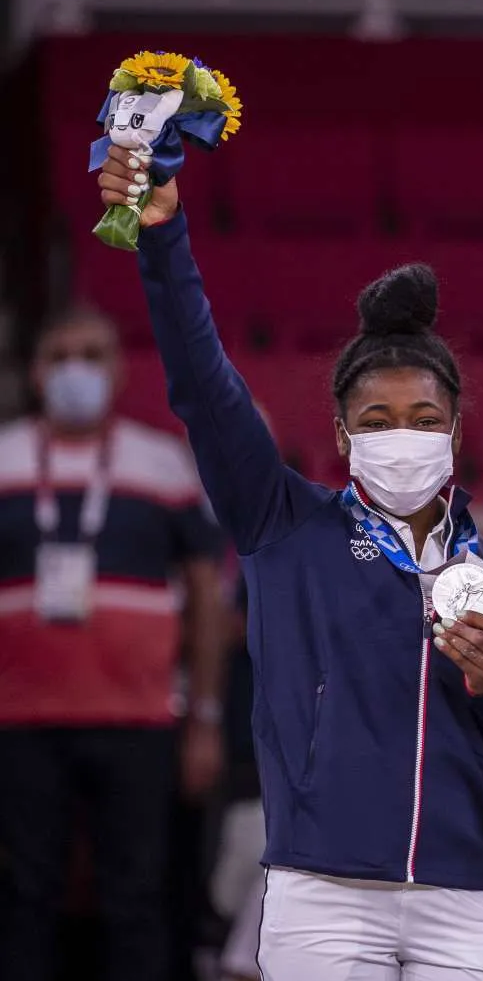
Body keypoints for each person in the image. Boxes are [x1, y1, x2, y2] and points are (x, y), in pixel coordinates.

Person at [95, 143, 483, 980]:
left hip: (470, 896)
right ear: (343, 437)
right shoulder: (284, 524)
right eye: (376, 420)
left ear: (454, 434)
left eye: (423, 417)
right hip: (321, 888)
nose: (401, 435)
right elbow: (203, 387)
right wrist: (164, 241)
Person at [0, 306, 228, 981]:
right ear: (37, 372)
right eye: (62, 355)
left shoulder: (162, 464)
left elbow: (208, 599)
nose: (77, 370)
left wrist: (205, 721)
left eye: (93, 355)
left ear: (119, 371)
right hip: (19, 720)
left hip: (140, 718)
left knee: (137, 897)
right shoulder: (4, 458)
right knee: (23, 898)